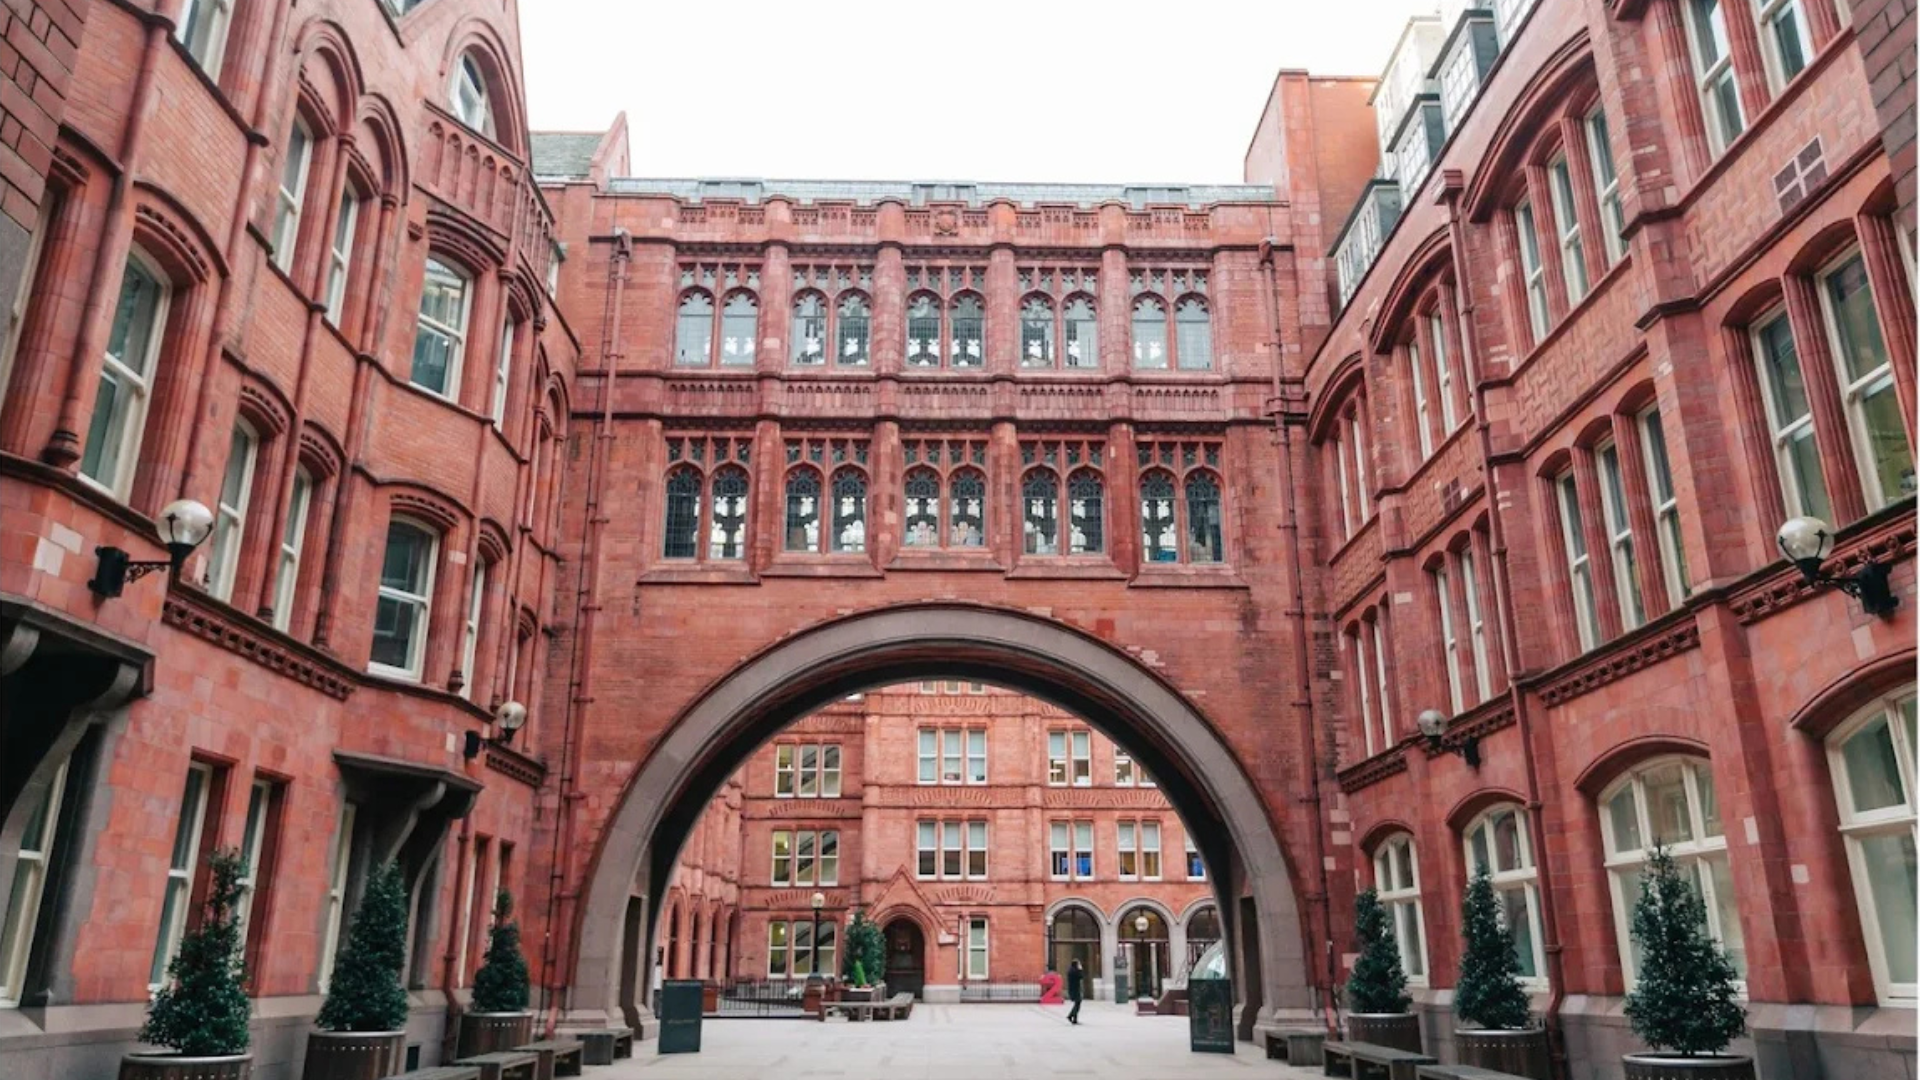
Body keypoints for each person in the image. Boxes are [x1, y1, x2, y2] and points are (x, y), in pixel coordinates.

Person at [1066, 958, 1085, 1025]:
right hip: (1076, 989)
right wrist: (1080, 969)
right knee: (1078, 1004)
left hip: (1073, 989)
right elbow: (1081, 976)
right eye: (1078, 964)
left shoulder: (1071, 970)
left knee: (1077, 1004)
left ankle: (1074, 1018)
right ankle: (1071, 1016)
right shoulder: (1075, 971)